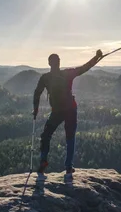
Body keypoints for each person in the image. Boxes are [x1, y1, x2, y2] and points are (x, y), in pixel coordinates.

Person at [33, 50, 103, 180]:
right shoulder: (67, 74)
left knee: (46, 135)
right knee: (70, 137)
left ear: (49, 63)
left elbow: (37, 93)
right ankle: (69, 167)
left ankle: (43, 161)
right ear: (59, 62)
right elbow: (84, 68)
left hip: (56, 112)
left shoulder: (45, 78)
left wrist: (35, 109)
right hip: (71, 109)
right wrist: (97, 57)